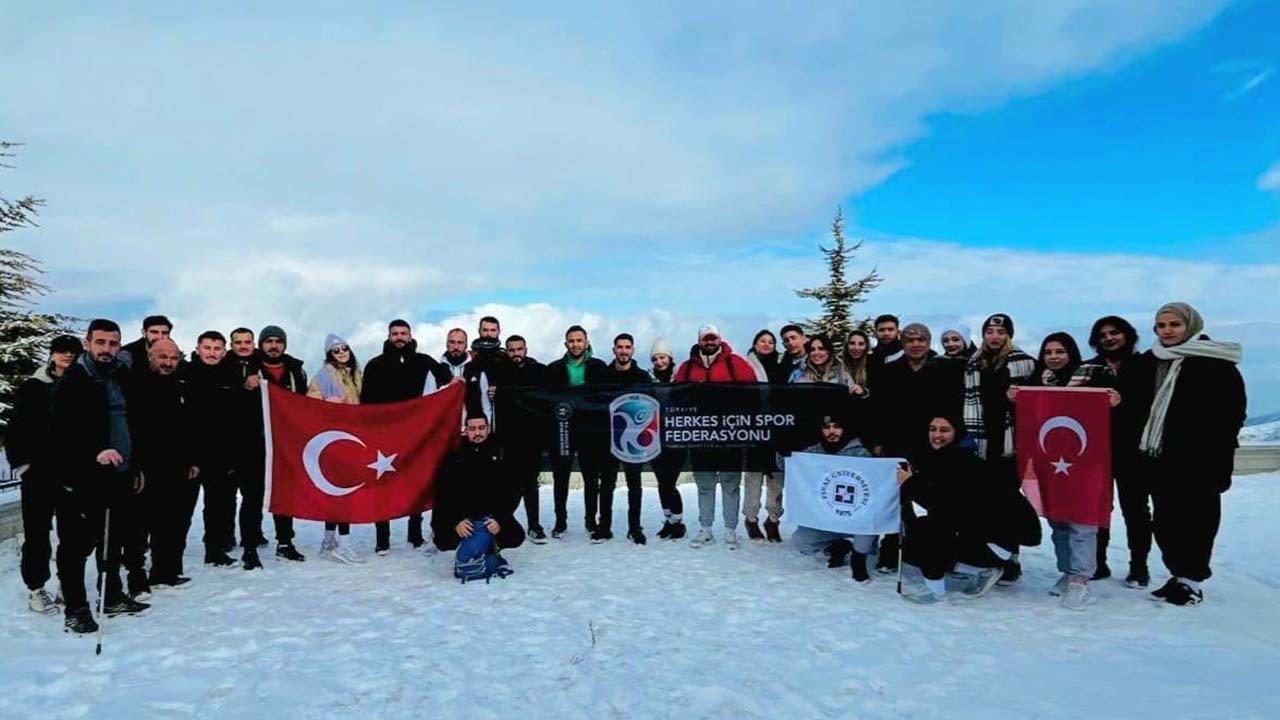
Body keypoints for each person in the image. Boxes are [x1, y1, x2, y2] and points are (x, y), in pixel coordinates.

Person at [1138, 303, 1246, 606]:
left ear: (1192, 326)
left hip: (1200, 460)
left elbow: (1233, 413)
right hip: (1161, 459)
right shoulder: (1150, 361)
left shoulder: (1216, 362)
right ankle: (1177, 573)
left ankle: (1192, 579)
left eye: (1175, 324)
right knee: (1165, 521)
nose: (1168, 331)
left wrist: (1210, 449)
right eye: (1161, 325)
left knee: (1197, 521)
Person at [50, 319, 150, 634]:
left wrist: (134, 466)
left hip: (118, 475)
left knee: (112, 540)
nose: (107, 349)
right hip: (80, 478)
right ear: (88, 342)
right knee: (76, 545)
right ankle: (76, 608)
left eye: (113, 343)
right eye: (101, 342)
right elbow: (61, 432)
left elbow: (130, 424)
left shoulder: (120, 377)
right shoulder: (74, 381)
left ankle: (111, 596)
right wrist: (94, 452)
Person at [1008, 332, 1119, 609]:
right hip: (1051, 462)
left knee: (1083, 519)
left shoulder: (1095, 378)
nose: (1054, 357)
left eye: (1060, 351)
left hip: (1086, 462)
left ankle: (1081, 578)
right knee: (1058, 519)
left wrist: (1115, 400)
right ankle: (1067, 572)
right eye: (1048, 352)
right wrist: (1014, 397)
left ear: (1071, 353)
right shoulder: (1037, 383)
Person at [896, 415, 1042, 604]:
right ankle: (982, 569)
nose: (937, 435)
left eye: (944, 430)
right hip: (986, 537)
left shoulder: (960, 462)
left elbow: (943, 507)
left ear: (957, 433)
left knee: (928, 532)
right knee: (913, 543)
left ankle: (935, 592)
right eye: (933, 429)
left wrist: (910, 484)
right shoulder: (947, 457)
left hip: (995, 544)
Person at [867, 322, 962, 574]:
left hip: (935, 445)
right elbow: (877, 409)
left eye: (921, 339)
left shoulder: (946, 368)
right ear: (903, 342)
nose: (916, 344)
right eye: (910, 340)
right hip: (898, 444)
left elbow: (955, 408)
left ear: (929, 342)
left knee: (936, 499)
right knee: (897, 499)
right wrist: (877, 441)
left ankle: (940, 550)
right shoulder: (889, 371)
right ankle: (893, 548)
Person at [362, 320, 454, 553]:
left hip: (414, 433)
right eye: (395, 334)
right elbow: (366, 401)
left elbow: (445, 374)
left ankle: (415, 534)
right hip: (384, 434)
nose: (399, 337)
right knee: (382, 484)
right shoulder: (375, 365)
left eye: (404, 333)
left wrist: (457, 382)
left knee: (415, 482)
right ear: (389, 336)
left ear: (410, 335)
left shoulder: (422, 360)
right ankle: (382, 539)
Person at [7, 334, 81, 614]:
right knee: (37, 534)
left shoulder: (82, 386)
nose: (68, 356)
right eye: (63, 351)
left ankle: (68, 583)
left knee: (73, 534)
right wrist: (23, 465)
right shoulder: (32, 387)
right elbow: (16, 429)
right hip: (38, 473)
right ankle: (36, 588)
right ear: (52, 354)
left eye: (73, 352)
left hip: (72, 473)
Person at [961, 313, 1035, 584]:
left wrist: (1017, 399)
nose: (995, 337)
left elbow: (1038, 402)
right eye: (990, 332)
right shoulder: (974, 362)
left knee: (1007, 502)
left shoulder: (1024, 364)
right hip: (981, 441)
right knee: (983, 502)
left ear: (1009, 336)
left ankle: (1011, 557)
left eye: (1000, 332)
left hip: (1009, 444)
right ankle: (988, 554)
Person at [1083, 316, 1154, 587]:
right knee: (1097, 509)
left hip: (1132, 451)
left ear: (1127, 335)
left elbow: (1152, 404)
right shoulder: (1090, 368)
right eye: (1103, 335)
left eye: (1114, 333)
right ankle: (1098, 563)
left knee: (1135, 509)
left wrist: (1123, 402)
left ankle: (1139, 567)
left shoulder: (1145, 365)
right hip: (1095, 450)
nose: (1109, 338)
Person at [674, 324, 757, 548]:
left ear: (720, 339)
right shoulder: (687, 367)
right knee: (705, 484)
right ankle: (706, 528)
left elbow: (754, 394)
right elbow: (674, 396)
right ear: (699, 341)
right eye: (705, 339)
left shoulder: (736, 363)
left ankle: (731, 530)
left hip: (730, 435)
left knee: (731, 483)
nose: (710, 342)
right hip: (700, 435)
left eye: (713, 338)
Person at [129, 338, 202, 590]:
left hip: (177, 466)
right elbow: (131, 429)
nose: (168, 363)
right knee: (140, 526)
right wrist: (135, 466)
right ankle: (136, 577)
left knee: (172, 522)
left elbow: (190, 424)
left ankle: (166, 571)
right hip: (146, 467)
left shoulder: (181, 383)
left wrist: (193, 458)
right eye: (163, 357)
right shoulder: (136, 384)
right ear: (150, 355)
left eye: (173, 358)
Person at [788, 413, 890, 583]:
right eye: (827, 428)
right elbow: (789, 467)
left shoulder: (861, 453)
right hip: (827, 519)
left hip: (856, 518)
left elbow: (875, 484)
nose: (831, 431)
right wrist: (783, 454)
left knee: (868, 527)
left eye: (836, 427)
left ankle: (858, 560)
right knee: (799, 542)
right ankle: (837, 546)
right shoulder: (813, 451)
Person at [241, 325, 308, 567]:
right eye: (268, 341)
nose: (273, 345)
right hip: (254, 444)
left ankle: (285, 543)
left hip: (285, 444)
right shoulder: (247, 366)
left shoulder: (296, 370)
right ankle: (249, 547)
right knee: (252, 497)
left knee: (285, 494)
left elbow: (303, 406)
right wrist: (245, 387)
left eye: (278, 341)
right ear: (261, 344)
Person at [544, 325, 610, 539]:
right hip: (562, 430)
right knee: (560, 476)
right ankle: (560, 521)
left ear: (587, 342)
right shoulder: (553, 369)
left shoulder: (600, 367)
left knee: (591, 478)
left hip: (591, 431)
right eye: (571, 341)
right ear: (566, 344)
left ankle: (591, 520)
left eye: (579, 340)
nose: (575, 344)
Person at [307, 334, 366, 564]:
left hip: (353, 437)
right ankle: (344, 542)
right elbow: (308, 404)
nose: (341, 352)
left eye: (344, 348)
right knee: (341, 491)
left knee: (339, 492)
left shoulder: (356, 374)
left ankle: (329, 539)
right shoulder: (322, 376)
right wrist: (324, 403)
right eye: (336, 350)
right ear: (329, 354)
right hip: (334, 439)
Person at [431, 415, 525, 553]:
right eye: (472, 429)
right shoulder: (454, 458)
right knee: (444, 541)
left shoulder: (501, 455)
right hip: (463, 515)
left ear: (488, 429)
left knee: (514, 537)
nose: (477, 433)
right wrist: (457, 521)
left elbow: (513, 492)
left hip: (490, 514)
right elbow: (443, 494)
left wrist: (499, 519)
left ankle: (492, 546)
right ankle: (466, 547)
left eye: (481, 428)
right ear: (466, 431)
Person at [184, 331, 238, 567]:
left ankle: (215, 549)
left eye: (217, 349)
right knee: (181, 509)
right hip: (189, 454)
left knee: (219, 506)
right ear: (198, 349)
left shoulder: (231, 376)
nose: (212, 353)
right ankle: (168, 558)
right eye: (207, 348)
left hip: (221, 453)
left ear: (224, 352)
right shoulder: (184, 374)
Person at [599, 333, 651, 544]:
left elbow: (650, 408)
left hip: (634, 439)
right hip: (608, 438)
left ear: (633, 350)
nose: (623, 351)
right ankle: (604, 527)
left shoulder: (642, 377)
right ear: (614, 350)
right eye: (619, 347)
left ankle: (635, 527)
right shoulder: (603, 375)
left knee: (635, 485)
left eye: (627, 347)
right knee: (607, 484)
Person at [224, 327, 269, 563]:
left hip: (257, 443)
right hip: (229, 444)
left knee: (253, 496)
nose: (243, 346)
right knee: (226, 496)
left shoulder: (263, 365)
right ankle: (223, 536)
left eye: (247, 342)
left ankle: (250, 540)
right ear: (231, 344)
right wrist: (243, 386)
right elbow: (217, 400)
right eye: (238, 342)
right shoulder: (222, 365)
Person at [742, 329, 790, 541]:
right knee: (753, 477)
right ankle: (750, 519)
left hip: (778, 428)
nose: (767, 344)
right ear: (755, 343)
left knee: (777, 477)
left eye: (771, 341)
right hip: (754, 428)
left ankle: (773, 519)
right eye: (763, 341)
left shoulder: (782, 366)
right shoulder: (745, 366)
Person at [503, 334, 549, 542]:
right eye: (511, 350)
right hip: (508, 439)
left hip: (533, 438)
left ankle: (534, 525)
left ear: (526, 350)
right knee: (509, 484)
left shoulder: (539, 371)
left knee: (531, 484)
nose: (516, 354)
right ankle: (505, 522)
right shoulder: (499, 372)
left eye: (519, 349)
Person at [649, 338, 686, 540]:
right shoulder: (649, 379)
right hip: (655, 437)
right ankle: (668, 519)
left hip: (677, 438)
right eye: (655, 359)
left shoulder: (680, 377)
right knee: (661, 481)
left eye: (662, 357)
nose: (659, 362)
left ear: (669, 357)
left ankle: (678, 522)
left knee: (669, 482)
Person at [868, 314, 903, 386]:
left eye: (890, 329)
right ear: (875, 333)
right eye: (881, 330)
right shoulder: (869, 359)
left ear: (898, 332)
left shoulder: (908, 356)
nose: (886, 333)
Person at [841, 329, 873, 397]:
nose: (856, 348)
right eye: (852, 343)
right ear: (847, 345)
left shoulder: (873, 364)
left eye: (861, 344)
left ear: (866, 346)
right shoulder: (838, 364)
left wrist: (864, 392)